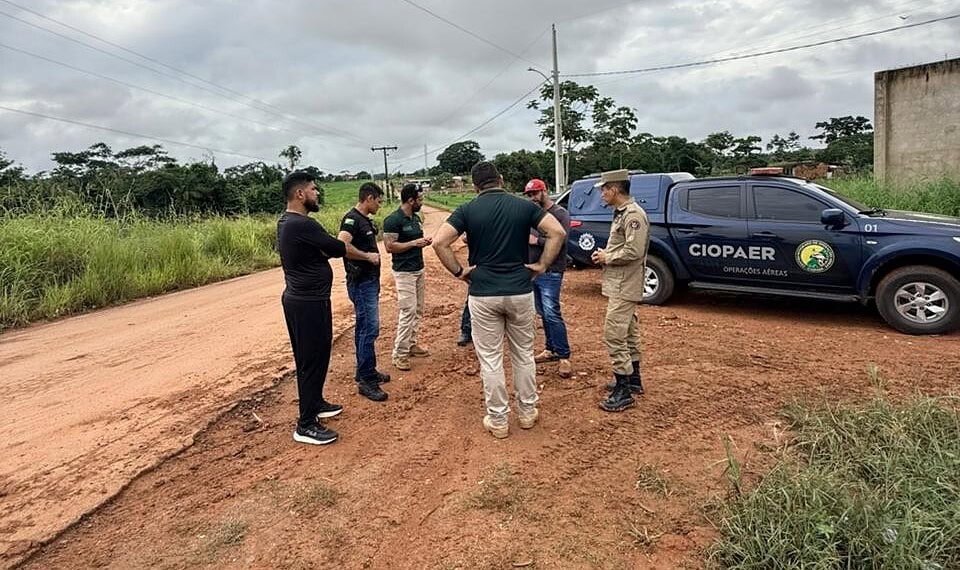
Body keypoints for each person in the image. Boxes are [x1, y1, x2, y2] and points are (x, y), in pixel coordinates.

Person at [432, 161, 565, 439]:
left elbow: (439, 242)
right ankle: (528, 413)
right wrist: (541, 266)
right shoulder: (524, 206)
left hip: (483, 294)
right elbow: (557, 232)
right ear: (501, 179)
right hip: (519, 290)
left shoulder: (467, 209)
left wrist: (460, 272)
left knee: (491, 359)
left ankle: (498, 420)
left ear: (475, 185)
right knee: (523, 354)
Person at [277, 171, 379, 445]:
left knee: (317, 356)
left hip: (306, 301)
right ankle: (306, 424)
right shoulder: (302, 225)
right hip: (306, 303)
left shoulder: (289, 222)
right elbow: (336, 247)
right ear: (300, 194)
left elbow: (327, 249)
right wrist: (327, 248)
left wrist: (325, 249)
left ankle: (315, 402)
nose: (317, 192)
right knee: (311, 359)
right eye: (313, 189)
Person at [590, 169, 649, 412]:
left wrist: (607, 256)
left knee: (614, 333)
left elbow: (633, 251)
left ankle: (623, 390)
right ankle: (633, 380)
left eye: (604, 189)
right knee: (628, 331)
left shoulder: (633, 214)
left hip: (626, 282)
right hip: (620, 281)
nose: (602, 194)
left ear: (614, 189)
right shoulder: (621, 213)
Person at [338, 182, 389, 402]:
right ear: (369, 198)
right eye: (378, 200)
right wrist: (368, 256)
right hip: (361, 283)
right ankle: (367, 381)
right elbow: (342, 245)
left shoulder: (363, 220)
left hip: (369, 281)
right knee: (370, 328)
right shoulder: (352, 220)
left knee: (363, 327)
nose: (379, 204)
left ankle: (365, 370)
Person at [523, 178, 572, 378]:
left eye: (535, 193)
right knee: (542, 312)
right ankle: (550, 348)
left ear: (545, 191)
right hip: (533, 269)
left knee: (552, 312)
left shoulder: (560, 214)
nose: (532, 197)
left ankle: (564, 356)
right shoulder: (532, 215)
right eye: (529, 195)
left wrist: (536, 240)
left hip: (551, 269)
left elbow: (562, 239)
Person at [382, 183, 432, 371]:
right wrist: (413, 243)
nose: (422, 202)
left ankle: (411, 344)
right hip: (404, 272)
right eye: (419, 199)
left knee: (418, 310)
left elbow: (415, 242)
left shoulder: (416, 218)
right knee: (408, 311)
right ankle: (399, 354)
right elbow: (390, 247)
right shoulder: (392, 220)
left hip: (418, 268)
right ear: (410, 200)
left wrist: (422, 243)